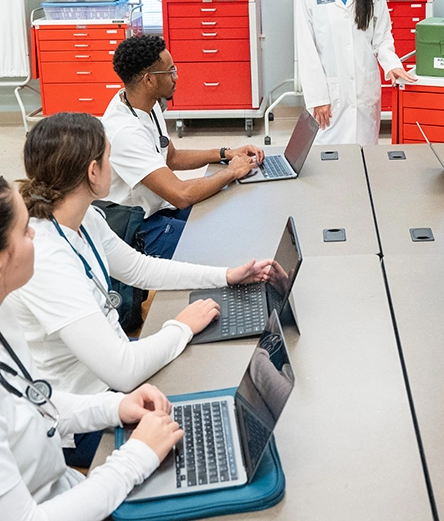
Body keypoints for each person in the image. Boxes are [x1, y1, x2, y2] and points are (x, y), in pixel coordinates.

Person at [6, 113, 280, 466]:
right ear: (92, 172)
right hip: (78, 416)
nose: (113, 163)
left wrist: (226, 276)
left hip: (112, 369)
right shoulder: (45, 257)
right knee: (211, 434)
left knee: (221, 370)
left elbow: (139, 268)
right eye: (109, 156)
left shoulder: (83, 216)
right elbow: (123, 370)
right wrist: (181, 325)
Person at [0, 175, 185, 520]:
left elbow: (37, 400)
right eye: (25, 230)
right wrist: (137, 456)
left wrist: (115, 406)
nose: (35, 235)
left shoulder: (5, 312)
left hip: (68, 488)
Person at [102, 34, 264, 259]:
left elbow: (172, 158)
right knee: (224, 246)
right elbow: (181, 195)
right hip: (139, 230)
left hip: (161, 208)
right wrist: (232, 171)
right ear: (149, 80)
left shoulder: (145, 103)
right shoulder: (125, 132)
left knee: (229, 211)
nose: (176, 77)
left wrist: (226, 153)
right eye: (170, 71)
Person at [294, 0, 417, 146]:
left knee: (365, 155)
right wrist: (318, 97)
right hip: (330, 93)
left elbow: (382, 36)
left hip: (363, 90)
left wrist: (392, 64)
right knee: (328, 159)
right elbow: (306, 49)